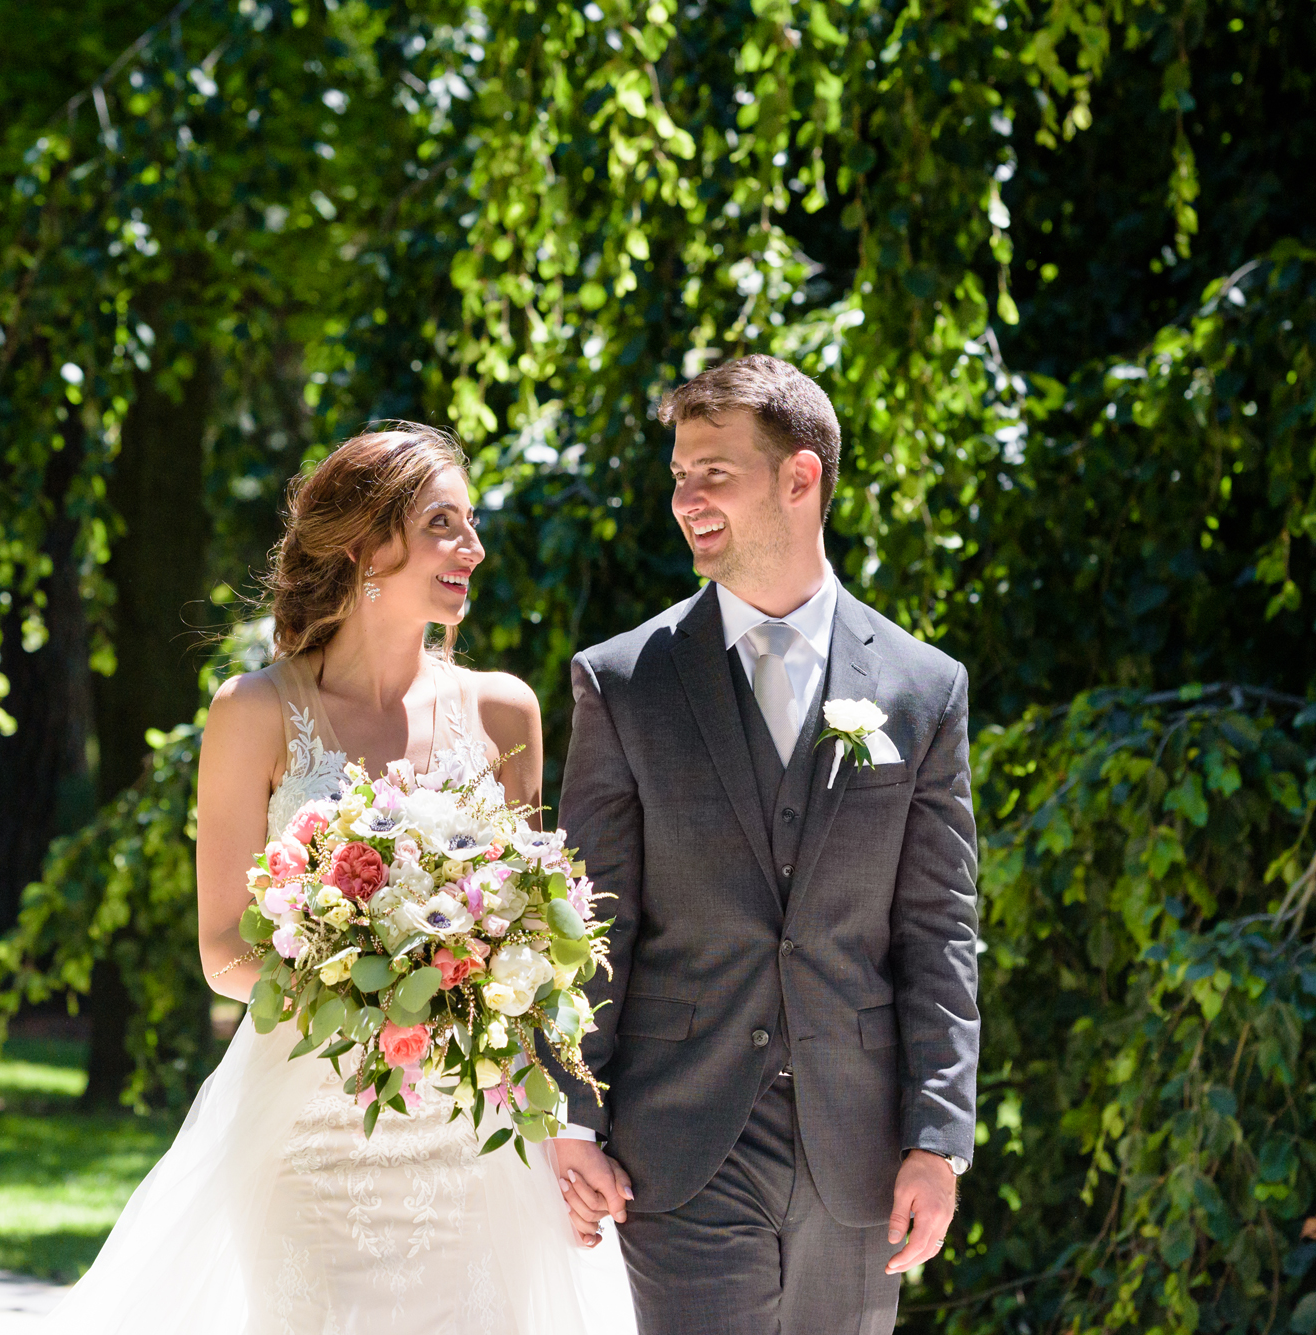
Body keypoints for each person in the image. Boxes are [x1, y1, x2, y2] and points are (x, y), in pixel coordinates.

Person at [50, 424, 636, 1334]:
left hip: (473, 1140)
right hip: (309, 1137)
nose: (473, 548)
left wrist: (547, 1102)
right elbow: (221, 951)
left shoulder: (504, 708)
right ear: (366, 544)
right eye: (444, 522)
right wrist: (375, 993)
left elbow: (526, 946)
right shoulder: (254, 711)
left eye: (471, 523)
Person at [547, 355, 982, 1334]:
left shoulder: (922, 688)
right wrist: (569, 1116)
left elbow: (937, 933)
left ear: (799, 477)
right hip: (679, 1143)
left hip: (858, 1154)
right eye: (676, 476)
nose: (684, 499)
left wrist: (936, 1139)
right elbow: (587, 922)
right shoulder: (622, 684)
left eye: (713, 472)